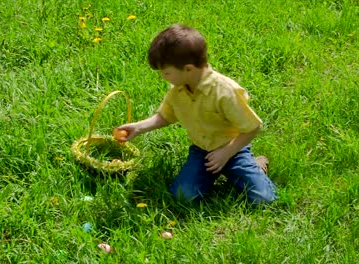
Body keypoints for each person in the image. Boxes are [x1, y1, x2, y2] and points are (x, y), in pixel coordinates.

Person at [116, 24, 277, 205]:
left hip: (233, 150)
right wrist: (138, 127)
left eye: (166, 72)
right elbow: (166, 116)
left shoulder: (225, 92)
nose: (163, 76)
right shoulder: (177, 90)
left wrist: (226, 152)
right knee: (182, 196)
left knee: (263, 199)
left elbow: (253, 127)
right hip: (202, 152)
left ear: (188, 69)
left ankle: (256, 165)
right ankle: (214, 174)